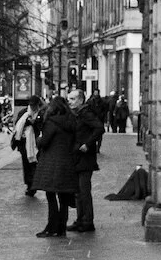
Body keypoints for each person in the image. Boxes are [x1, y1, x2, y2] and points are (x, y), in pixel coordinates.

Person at [32, 90, 78, 237]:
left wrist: (39, 139)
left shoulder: (51, 122)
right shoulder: (72, 121)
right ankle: (61, 227)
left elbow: (43, 142)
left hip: (52, 164)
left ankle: (52, 226)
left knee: (51, 195)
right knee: (64, 198)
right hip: (67, 163)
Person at [69, 90, 104, 232]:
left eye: (72, 99)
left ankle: (88, 221)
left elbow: (99, 128)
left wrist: (88, 144)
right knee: (78, 191)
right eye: (69, 99)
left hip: (85, 158)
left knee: (84, 191)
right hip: (77, 157)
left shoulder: (86, 114)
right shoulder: (77, 114)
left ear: (80, 100)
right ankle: (80, 219)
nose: (70, 101)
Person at [12, 97, 41, 196]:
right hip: (24, 143)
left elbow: (42, 126)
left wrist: (35, 123)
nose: (33, 107)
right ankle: (30, 184)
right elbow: (17, 126)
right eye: (31, 105)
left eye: (35, 105)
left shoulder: (41, 113)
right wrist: (27, 122)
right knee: (26, 164)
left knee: (34, 164)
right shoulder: (23, 113)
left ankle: (34, 183)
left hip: (36, 143)